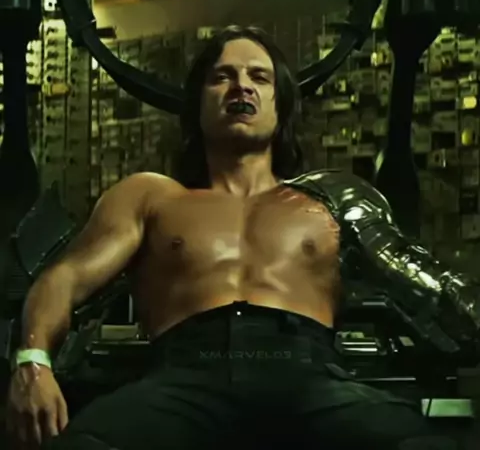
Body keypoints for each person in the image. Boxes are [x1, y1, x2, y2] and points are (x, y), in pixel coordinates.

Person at [5, 25, 470, 450]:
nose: (241, 86)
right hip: (184, 376)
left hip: (308, 376)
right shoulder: (151, 197)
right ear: (199, 104)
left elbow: (431, 287)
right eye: (222, 77)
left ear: (280, 106)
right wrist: (32, 361)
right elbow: (65, 278)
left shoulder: (332, 198)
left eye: (258, 77)